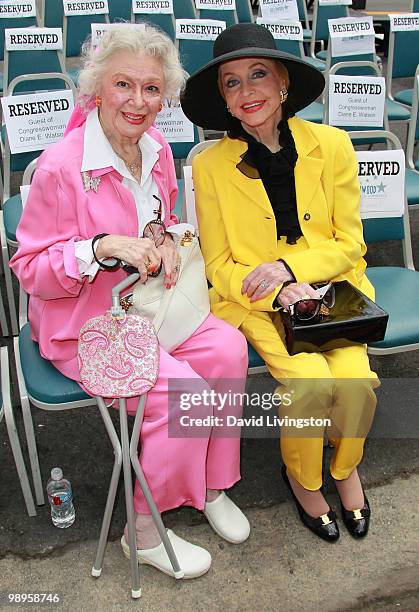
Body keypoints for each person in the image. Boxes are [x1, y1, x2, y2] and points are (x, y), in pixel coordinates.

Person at [10, 25, 250, 578]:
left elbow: (159, 219)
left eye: (151, 89)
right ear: (97, 88)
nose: (139, 102)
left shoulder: (158, 148)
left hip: (152, 304)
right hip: (85, 323)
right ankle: (141, 529)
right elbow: (29, 269)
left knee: (228, 351)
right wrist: (98, 248)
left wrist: (163, 240)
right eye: (124, 85)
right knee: (178, 391)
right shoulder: (60, 167)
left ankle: (210, 485)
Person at [181, 23, 379, 542]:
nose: (247, 92)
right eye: (231, 83)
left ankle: (345, 467)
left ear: (283, 82)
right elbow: (219, 265)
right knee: (310, 382)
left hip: (332, 288)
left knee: (355, 380)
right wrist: (274, 287)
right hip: (254, 300)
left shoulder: (333, 145)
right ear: (222, 100)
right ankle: (305, 480)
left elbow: (350, 244)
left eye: (258, 75)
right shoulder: (210, 167)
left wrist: (295, 270)